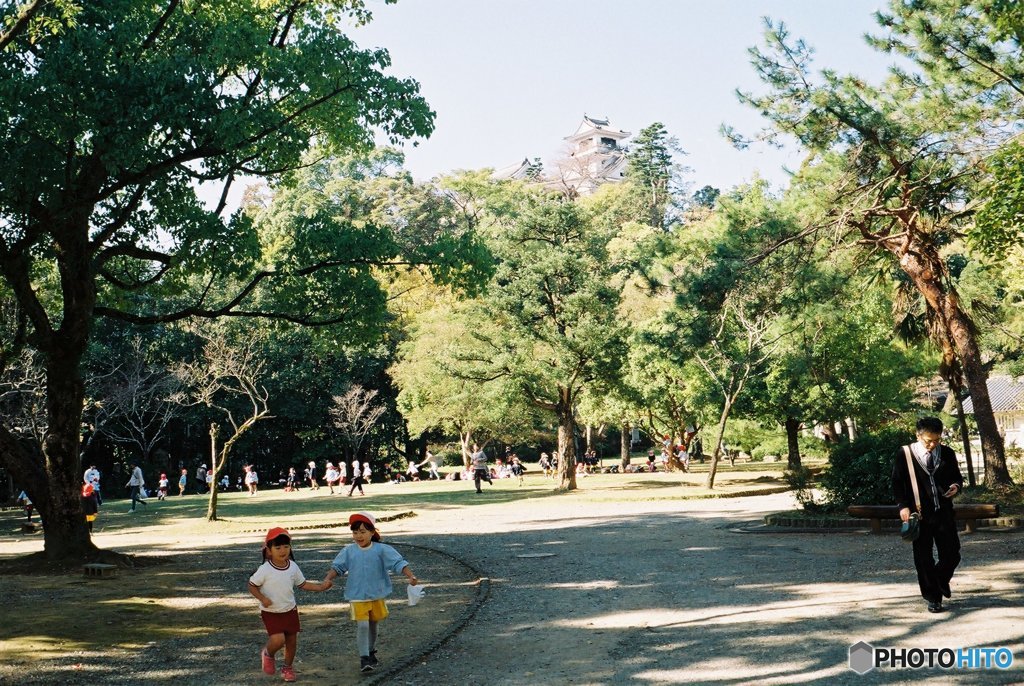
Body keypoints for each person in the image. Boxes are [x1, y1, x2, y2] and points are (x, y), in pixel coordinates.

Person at [323, 512, 419, 674]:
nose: (358, 536)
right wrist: (328, 579)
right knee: (362, 625)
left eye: (362, 531)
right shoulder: (349, 551)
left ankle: (371, 650)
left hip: (377, 594)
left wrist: (410, 575)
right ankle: (364, 658)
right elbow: (338, 567)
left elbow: (398, 562)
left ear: (372, 532)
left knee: (373, 624)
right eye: (355, 532)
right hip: (357, 595)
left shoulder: (381, 550)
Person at [892, 416, 964, 614]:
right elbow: (897, 483)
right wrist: (902, 506)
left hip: (944, 512)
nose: (932, 444)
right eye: (928, 440)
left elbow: (957, 477)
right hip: (919, 514)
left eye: (936, 440)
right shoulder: (905, 454)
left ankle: (940, 581)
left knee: (952, 553)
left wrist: (955, 486)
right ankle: (933, 598)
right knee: (923, 559)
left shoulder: (947, 453)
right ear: (918, 435)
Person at [248, 528, 332, 682]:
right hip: (271, 612)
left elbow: (303, 584)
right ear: (268, 550)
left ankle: (287, 668)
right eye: (278, 547)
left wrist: (320, 587)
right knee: (278, 640)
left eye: (286, 546)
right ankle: (268, 653)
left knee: (291, 642)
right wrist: (262, 598)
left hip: (290, 610)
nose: (282, 551)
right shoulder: (265, 569)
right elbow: (252, 585)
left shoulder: (292, 566)